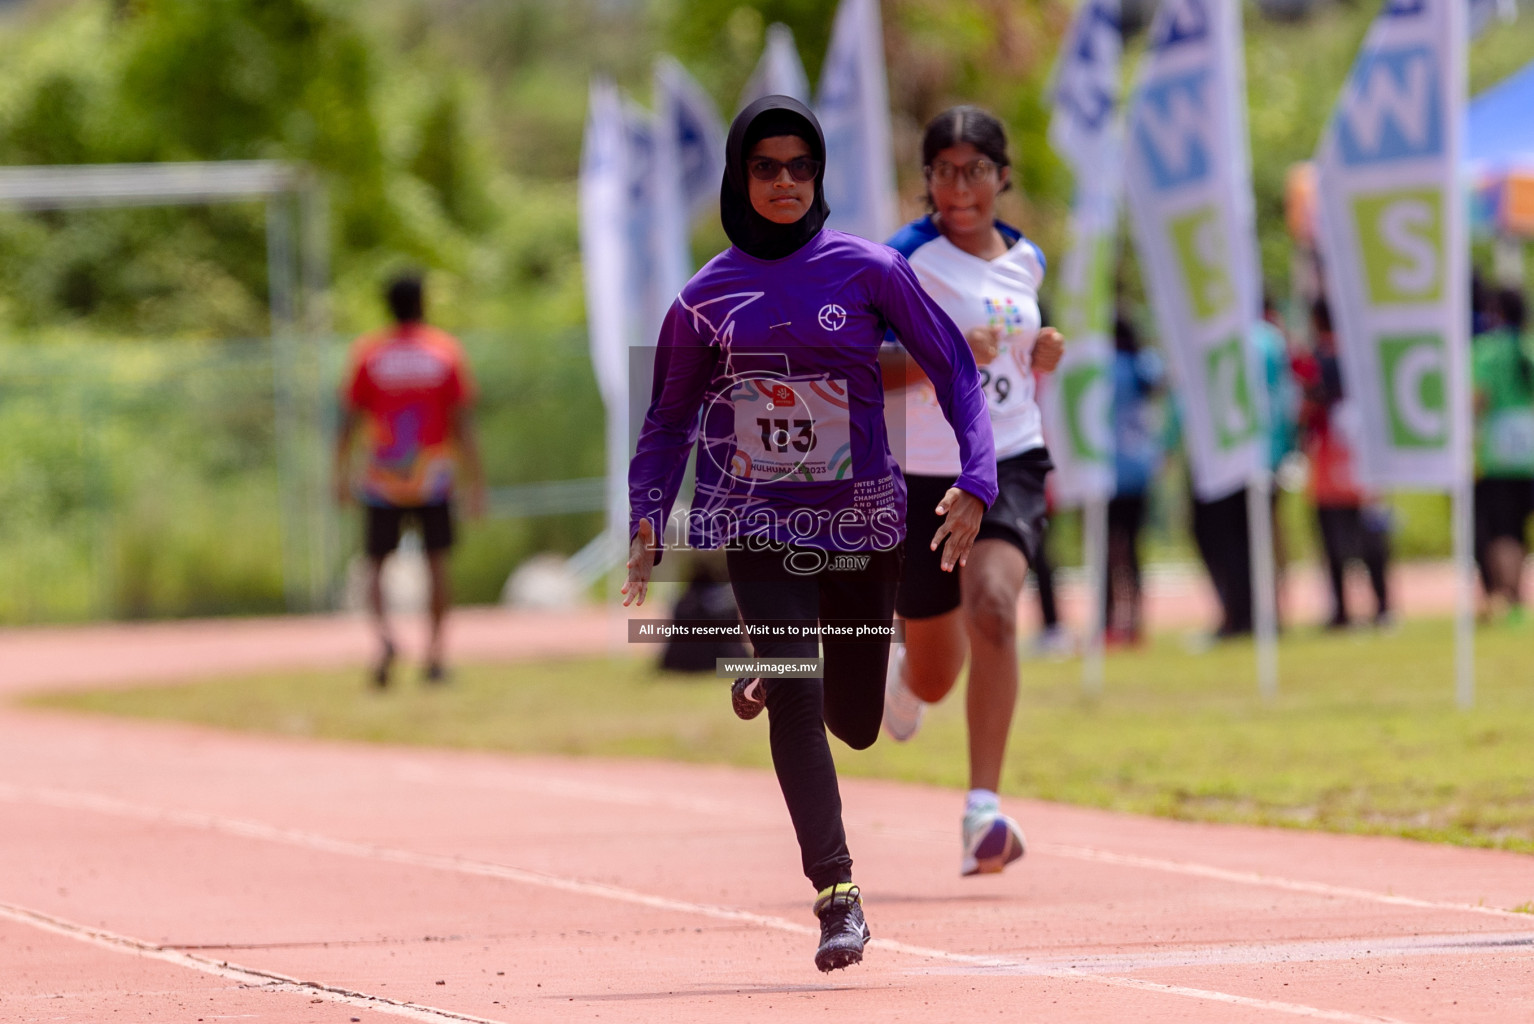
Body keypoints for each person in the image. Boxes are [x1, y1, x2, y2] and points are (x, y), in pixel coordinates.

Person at [622, 97, 996, 973]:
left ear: (817, 174)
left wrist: (977, 479)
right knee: (796, 690)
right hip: (757, 526)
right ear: (739, 178)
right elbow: (669, 422)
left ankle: (778, 661)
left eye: (799, 166)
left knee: (857, 721)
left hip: (864, 525)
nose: (784, 181)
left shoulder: (867, 271)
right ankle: (837, 895)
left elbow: (956, 372)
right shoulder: (703, 299)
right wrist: (647, 513)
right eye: (766, 167)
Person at [876, 106, 1064, 877]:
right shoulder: (899, 260)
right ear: (927, 180)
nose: (961, 186)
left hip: (1010, 459)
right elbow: (865, 365)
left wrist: (1040, 351)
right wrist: (942, 355)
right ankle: (902, 679)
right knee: (934, 674)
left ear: (1001, 175)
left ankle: (981, 811)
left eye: (976, 170)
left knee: (994, 604)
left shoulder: (1028, 260)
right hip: (924, 474)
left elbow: (1014, 358)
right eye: (945, 170)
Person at [335, 271, 485, 686]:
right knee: (437, 564)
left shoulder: (368, 353)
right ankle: (435, 657)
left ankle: (384, 638)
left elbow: (347, 421)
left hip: (382, 477)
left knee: (375, 565)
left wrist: (338, 474)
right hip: (433, 477)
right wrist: (476, 482)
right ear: (423, 303)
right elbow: (463, 423)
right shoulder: (444, 352)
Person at [1293, 297, 1390, 628]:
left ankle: (1342, 611)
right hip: (1365, 459)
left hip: (1328, 460)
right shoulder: (1364, 355)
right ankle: (1383, 606)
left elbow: (1307, 408)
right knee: (1370, 534)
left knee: (1333, 537)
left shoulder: (1318, 359)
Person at [1471, 287, 1534, 621]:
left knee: (1503, 531)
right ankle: (1516, 596)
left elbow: (1477, 400)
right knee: (1520, 529)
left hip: (1499, 455)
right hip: (1530, 454)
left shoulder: (1487, 351)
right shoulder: (1529, 348)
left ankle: (1510, 601)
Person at [1106, 312, 1165, 646]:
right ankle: (1136, 619)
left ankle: (1115, 617)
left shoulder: (1104, 366)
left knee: (1112, 549)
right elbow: (1161, 381)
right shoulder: (1142, 363)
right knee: (1133, 547)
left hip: (1109, 471)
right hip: (1140, 467)